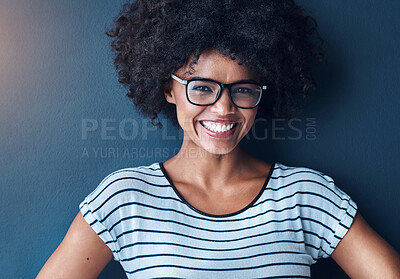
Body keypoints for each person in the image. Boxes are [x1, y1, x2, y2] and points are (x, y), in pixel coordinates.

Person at [37, 0, 400, 278]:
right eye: (203, 88)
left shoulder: (305, 196)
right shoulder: (124, 199)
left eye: (242, 89)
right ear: (168, 88)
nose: (224, 108)